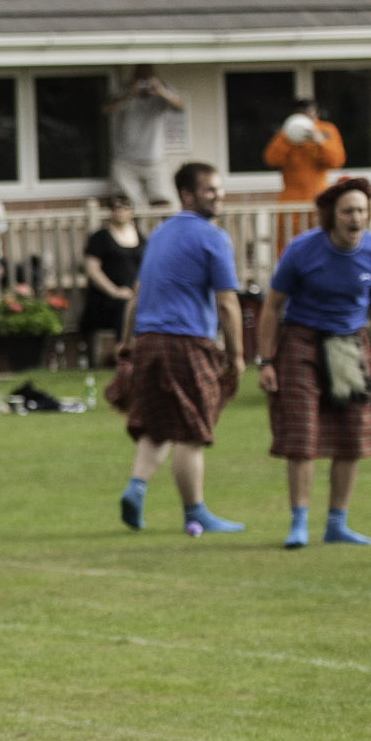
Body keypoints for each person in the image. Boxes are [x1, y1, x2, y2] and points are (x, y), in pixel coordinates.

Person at [112, 161, 247, 535]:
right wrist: (236, 356)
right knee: (191, 431)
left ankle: (136, 489)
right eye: (209, 190)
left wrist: (127, 342)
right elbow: (227, 303)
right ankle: (196, 512)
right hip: (186, 342)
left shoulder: (160, 234)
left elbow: (137, 295)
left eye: (219, 188)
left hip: (149, 340)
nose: (218, 195)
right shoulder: (212, 237)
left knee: (156, 423)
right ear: (187, 194)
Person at [257, 175, 371, 548]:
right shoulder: (301, 250)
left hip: (350, 345)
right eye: (348, 211)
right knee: (302, 436)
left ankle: (337, 523)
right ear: (332, 215)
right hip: (301, 343)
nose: (356, 218)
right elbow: (273, 306)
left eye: (362, 210)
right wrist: (266, 360)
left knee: (352, 437)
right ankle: (298, 523)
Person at [264, 100, 344, 248]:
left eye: (309, 115)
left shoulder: (326, 130)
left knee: (322, 239)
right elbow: (271, 160)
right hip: (291, 200)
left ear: (316, 114)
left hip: (320, 196)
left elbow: (336, 161)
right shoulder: (284, 133)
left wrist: (320, 142)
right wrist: (287, 139)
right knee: (288, 241)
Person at [80, 189, 145, 369]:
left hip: (135, 294)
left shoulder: (141, 238)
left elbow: (146, 270)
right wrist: (115, 291)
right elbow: (93, 271)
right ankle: (121, 351)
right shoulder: (99, 238)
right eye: (115, 207)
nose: (120, 211)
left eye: (125, 207)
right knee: (124, 304)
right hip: (106, 299)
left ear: (131, 211)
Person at [105, 66, 185, 208]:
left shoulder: (162, 88)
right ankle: (134, 230)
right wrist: (130, 93)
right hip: (125, 160)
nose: (144, 83)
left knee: (162, 203)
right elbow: (106, 109)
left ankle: (162, 231)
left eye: (147, 78)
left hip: (155, 159)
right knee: (125, 205)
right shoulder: (125, 89)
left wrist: (161, 91)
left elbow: (180, 106)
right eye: (141, 78)